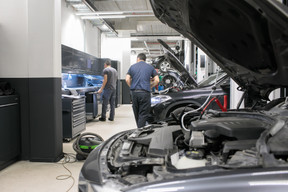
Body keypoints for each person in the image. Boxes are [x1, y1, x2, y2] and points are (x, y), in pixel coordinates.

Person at [126, 53, 159, 128]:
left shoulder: (132, 67)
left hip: (134, 93)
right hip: (145, 93)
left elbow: (127, 79)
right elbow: (157, 80)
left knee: (136, 112)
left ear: (138, 58)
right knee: (143, 114)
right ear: (145, 59)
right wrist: (150, 86)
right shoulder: (150, 67)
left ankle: (139, 128)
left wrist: (131, 86)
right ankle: (140, 131)